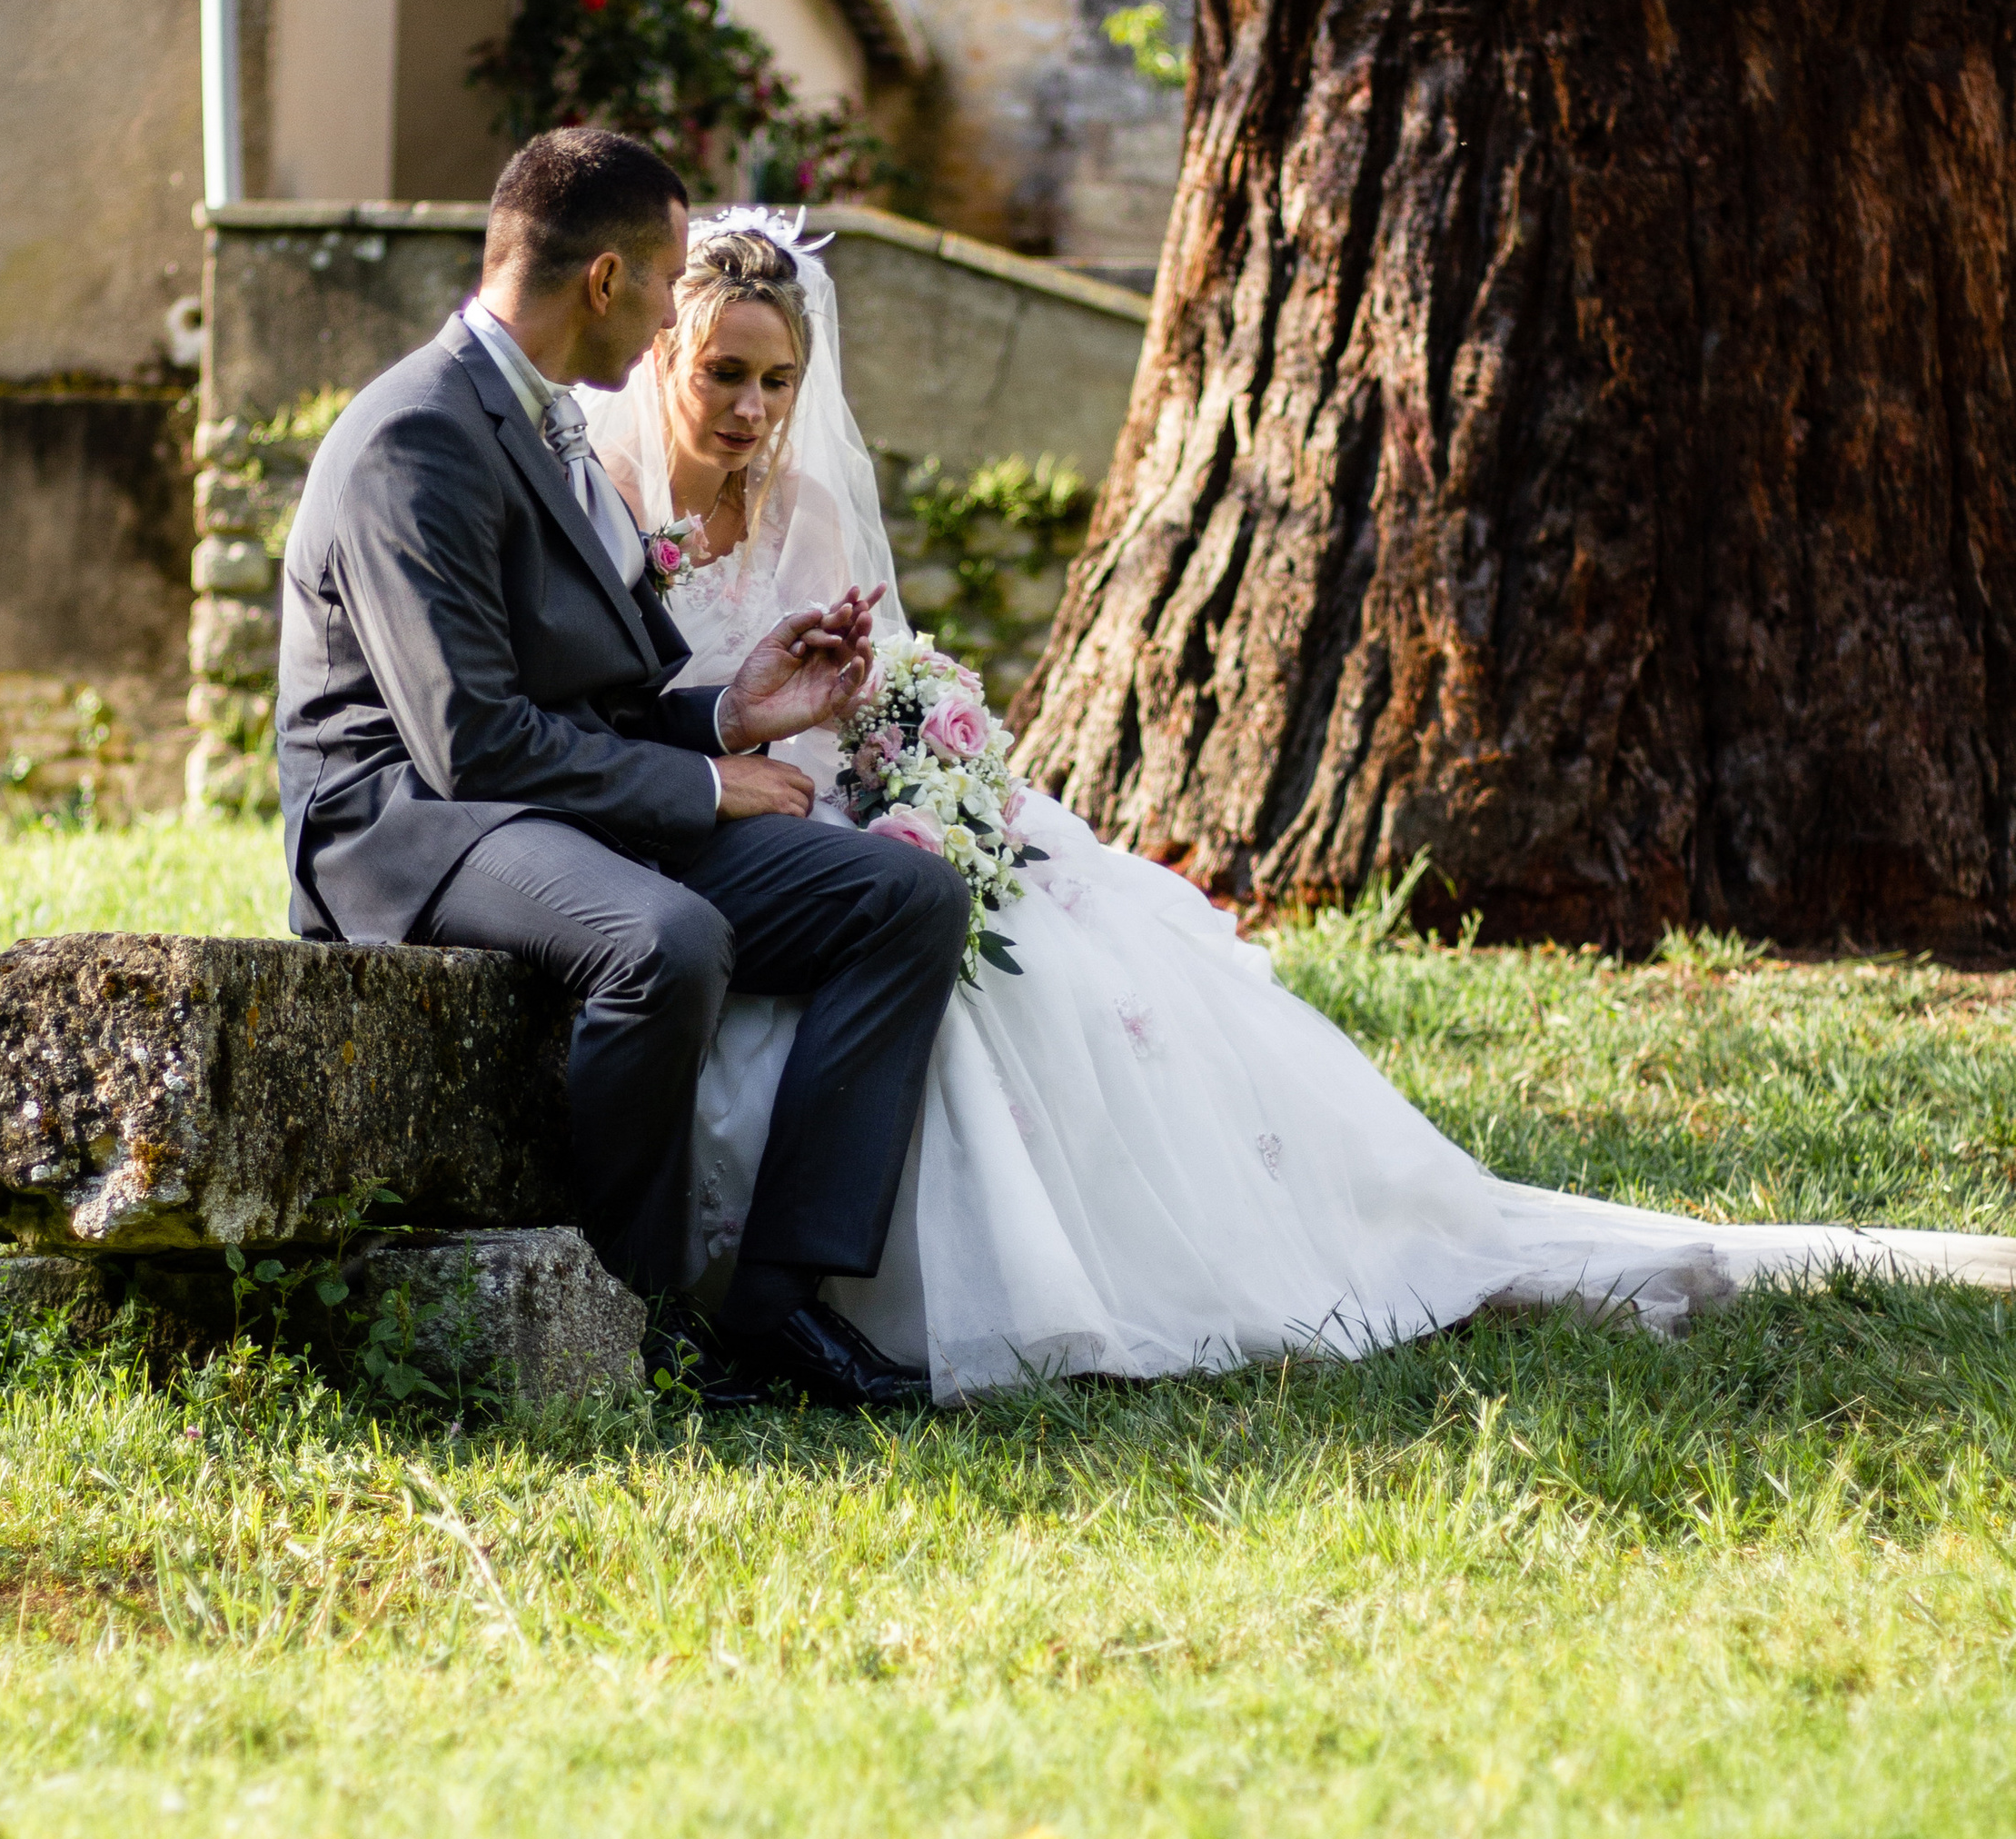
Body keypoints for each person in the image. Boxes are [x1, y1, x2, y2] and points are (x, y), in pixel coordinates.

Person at [593, 214, 2016, 1397]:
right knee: (943, 955)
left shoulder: (815, 513)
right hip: (701, 818)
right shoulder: (601, 496)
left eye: (778, 383)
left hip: (826, 807)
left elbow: (867, 673)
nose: (751, 411)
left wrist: (897, 749)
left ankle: (1248, 1240)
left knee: (1072, 964)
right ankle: (826, 1303)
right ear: (664, 350)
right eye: (725, 373)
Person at [275, 129, 971, 1409]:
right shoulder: (412, 438)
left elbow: (585, 696)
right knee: (666, 941)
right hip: (412, 825)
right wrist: (703, 793)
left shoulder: (548, 429)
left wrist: (728, 718)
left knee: (905, 901)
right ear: (604, 281)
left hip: (548, 800)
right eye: (662, 284)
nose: (668, 312)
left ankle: (775, 1309)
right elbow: (468, 738)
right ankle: (625, 1317)